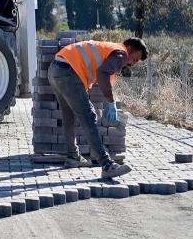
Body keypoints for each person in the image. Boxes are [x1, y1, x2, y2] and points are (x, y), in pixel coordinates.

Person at [48, 37, 149, 179]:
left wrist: (109, 102)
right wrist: (110, 102)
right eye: (135, 59)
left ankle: (73, 156)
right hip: (68, 72)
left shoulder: (110, 49)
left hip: (55, 69)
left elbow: (102, 77)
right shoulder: (121, 53)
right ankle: (107, 165)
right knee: (89, 116)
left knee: (68, 115)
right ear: (130, 49)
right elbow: (103, 73)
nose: (132, 63)